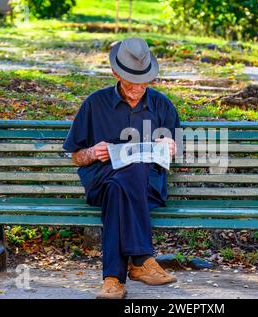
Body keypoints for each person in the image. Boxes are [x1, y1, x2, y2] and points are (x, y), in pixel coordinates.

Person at [62, 37, 181, 299]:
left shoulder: (162, 105)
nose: (138, 88)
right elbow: (76, 156)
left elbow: (177, 150)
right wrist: (93, 152)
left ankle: (113, 279)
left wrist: (171, 145)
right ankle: (141, 260)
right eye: (131, 81)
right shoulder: (95, 104)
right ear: (116, 73)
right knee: (125, 176)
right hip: (100, 185)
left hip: (146, 190)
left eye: (144, 81)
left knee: (126, 181)